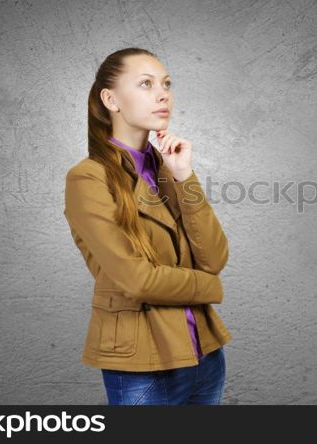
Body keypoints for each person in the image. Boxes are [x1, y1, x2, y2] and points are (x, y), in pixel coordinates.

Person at [63, 47, 232, 405]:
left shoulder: (168, 168)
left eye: (166, 84)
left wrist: (185, 176)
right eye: (145, 83)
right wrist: (208, 287)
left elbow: (214, 257)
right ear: (111, 99)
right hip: (142, 363)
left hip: (204, 353)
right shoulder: (87, 179)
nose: (163, 94)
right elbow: (138, 280)